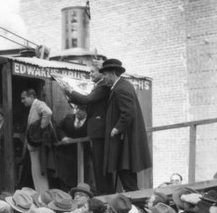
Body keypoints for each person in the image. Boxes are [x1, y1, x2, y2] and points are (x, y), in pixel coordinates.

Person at [101, 59, 152, 192]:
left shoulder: (120, 89)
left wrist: (116, 128)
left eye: (105, 74)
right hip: (127, 141)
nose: (104, 77)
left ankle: (137, 203)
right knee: (127, 175)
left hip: (125, 141)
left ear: (112, 73)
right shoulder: (123, 85)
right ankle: (136, 202)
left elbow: (129, 112)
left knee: (127, 176)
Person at [65, 59, 114, 194]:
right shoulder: (99, 86)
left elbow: (88, 100)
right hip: (96, 131)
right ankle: (103, 191)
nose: (90, 74)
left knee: (100, 164)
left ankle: (105, 193)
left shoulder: (103, 86)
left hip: (100, 131)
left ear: (101, 73)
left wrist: (70, 91)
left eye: (92, 71)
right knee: (98, 164)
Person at [21, 89, 54, 194]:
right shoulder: (33, 106)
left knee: (39, 173)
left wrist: (41, 129)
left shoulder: (38, 104)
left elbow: (48, 112)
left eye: (24, 98)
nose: (22, 101)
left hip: (38, 146)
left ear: (31, 96)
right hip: (34, 147)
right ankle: (42, 195)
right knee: (37, 173)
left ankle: (43, 195)